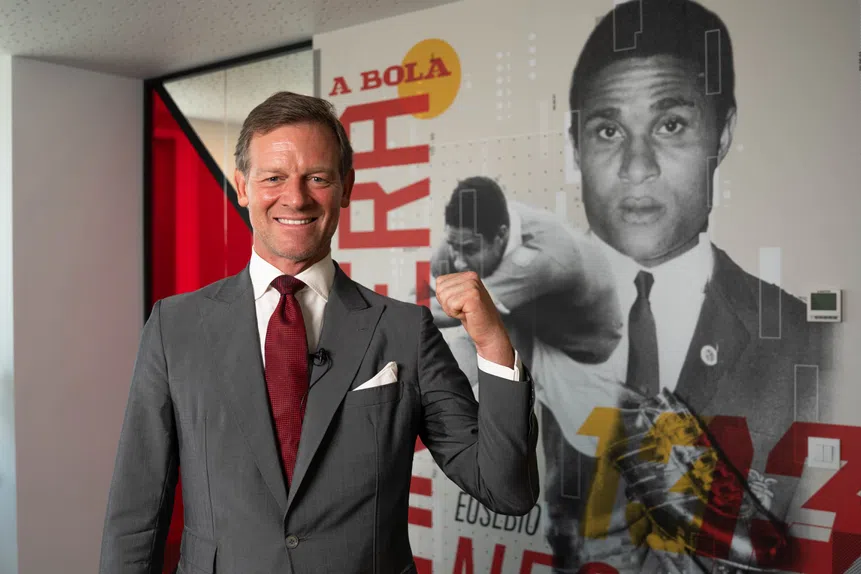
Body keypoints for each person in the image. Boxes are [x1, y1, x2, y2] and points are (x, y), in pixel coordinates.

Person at [99, 92, 539, 574]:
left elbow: (507, 492)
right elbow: (137, 509)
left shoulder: (404, 330)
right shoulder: (174, 326)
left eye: (317, 178)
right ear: (243, 187)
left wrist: (493, 345)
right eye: (274, 178)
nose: (296, 198)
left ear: (346, 187)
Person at [537, 1, 824, 572]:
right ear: (576, 146)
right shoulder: (533, 323)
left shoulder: (807, 344)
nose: (636, 166)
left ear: (723, 133)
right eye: (608, 130)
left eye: (670, 125)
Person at [429, 176, 622, 393]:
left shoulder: (547, 256)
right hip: (533, 327)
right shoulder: (472, 231)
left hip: (582, 357)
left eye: (470, 249)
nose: (458, 261)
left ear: (501, 235)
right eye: (453, 246)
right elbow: (427, 297)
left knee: (480, 324)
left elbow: (454, 309)